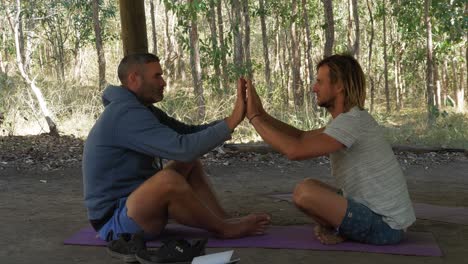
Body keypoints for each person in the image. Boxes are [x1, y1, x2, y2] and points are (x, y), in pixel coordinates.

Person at [83, 53, 270, 242]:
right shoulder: (125, 114)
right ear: (133, 78)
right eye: (157, 76)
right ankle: (224, 229)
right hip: (115, 223)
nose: (163, 82)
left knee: (188, 163)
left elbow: (188, 133)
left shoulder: (140, 109)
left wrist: (232, 119)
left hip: (134, 206)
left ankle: (222, 219)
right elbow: (184, 148)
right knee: (168, 179)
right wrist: (232, 121)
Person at [245, 54, 415, 245]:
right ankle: (340, 229)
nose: (314, 88)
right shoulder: (349, 119)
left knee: (304, 192)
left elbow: (295, 151)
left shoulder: (352, 122)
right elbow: (301, 136)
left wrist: (253, 118)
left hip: (387, 226)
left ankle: (341, 230)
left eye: (319, 82)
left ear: (339, 86)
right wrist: (262, 115)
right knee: (310, 186)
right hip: (377, 215)